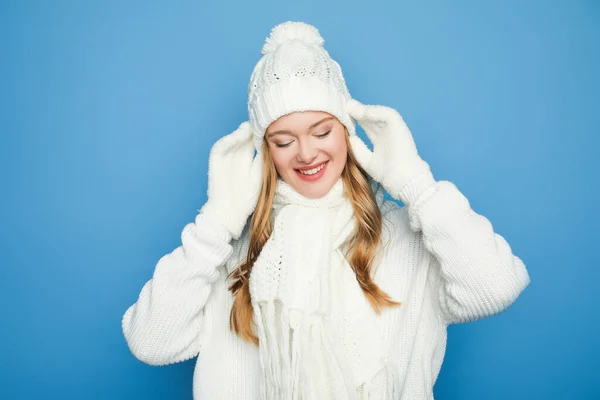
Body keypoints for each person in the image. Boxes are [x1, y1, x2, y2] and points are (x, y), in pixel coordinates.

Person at [122, 21, 530, 400]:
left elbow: (495, 288)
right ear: (265, 153)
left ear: (348, 132)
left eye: (322, 132)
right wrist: (215, 224)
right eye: (283, 141)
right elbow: (151, 343)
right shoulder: (228, 255)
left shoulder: (407, 238)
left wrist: (417, 184)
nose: (306, 153)